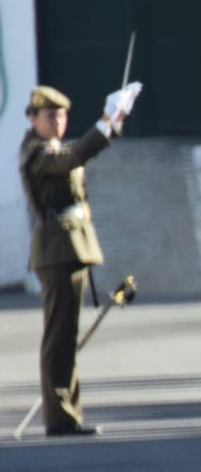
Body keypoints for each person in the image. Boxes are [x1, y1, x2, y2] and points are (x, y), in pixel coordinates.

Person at [18, 81, 142, 437]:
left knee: (68, 335)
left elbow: (78, 152)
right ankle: (60, 418)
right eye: (49, 115)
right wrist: (106, 120)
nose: (57, 122)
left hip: (70, 249)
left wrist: (116, 117)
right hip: (56, 251)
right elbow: (75, 157)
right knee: (59, 337)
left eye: (62, 115)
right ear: (33, 119)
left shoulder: (53, 148)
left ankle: (67, 413)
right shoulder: (37, 152)